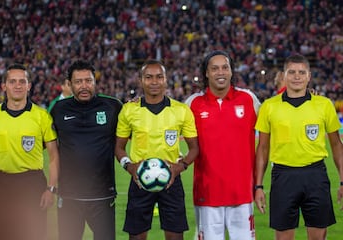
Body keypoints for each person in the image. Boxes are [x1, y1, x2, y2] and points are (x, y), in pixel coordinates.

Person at [254, 54, 343, 240]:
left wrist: (342, 181)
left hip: (316, 175)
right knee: (284, 237)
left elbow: (336, 145)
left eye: (302, 72)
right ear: (284, 75)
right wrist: (259, 185)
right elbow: (262, 148)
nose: (297, 76)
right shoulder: (269, 107)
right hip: (283, 176)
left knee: (318, 237)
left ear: (309, 76)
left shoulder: (324, 105)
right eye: (292, 72)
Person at [115, 59, 199, 240]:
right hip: (139, 179)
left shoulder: (181, 110)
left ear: (166, 80)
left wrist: (181, 166)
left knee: (175, 236)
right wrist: (130, 167)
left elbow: (194, 148)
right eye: (149, 77)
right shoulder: (129, 110)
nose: (154, 82)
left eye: (159, 77)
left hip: (172, 179)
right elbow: (119, 147)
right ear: (140, 81)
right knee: (136, 236)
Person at [185, 50, 261, 240]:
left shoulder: (248, 99)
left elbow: (276, 117)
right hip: (207, 194)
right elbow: (165, 119)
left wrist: (306, 96)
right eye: (215, 68)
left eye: (225, 67)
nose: (221, 72)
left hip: (242, 193)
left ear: (231, 71)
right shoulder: (192, 104)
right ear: (206, 73)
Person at [0, 63, 59, 240]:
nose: (17, 85)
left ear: (29, 86)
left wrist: (51, 189)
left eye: (22, 81)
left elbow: (54, 157)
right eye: (12, 81)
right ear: (4, 86)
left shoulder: (41, 116)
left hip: (31, 183)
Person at [50, 60, 122, 240]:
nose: (84, 86)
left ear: (95, 82)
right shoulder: (58, 109)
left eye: (88, 81)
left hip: (102, 195)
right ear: (70, 84)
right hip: (69, 196)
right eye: (78, 81)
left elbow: (137, 123)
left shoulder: (113, 107)